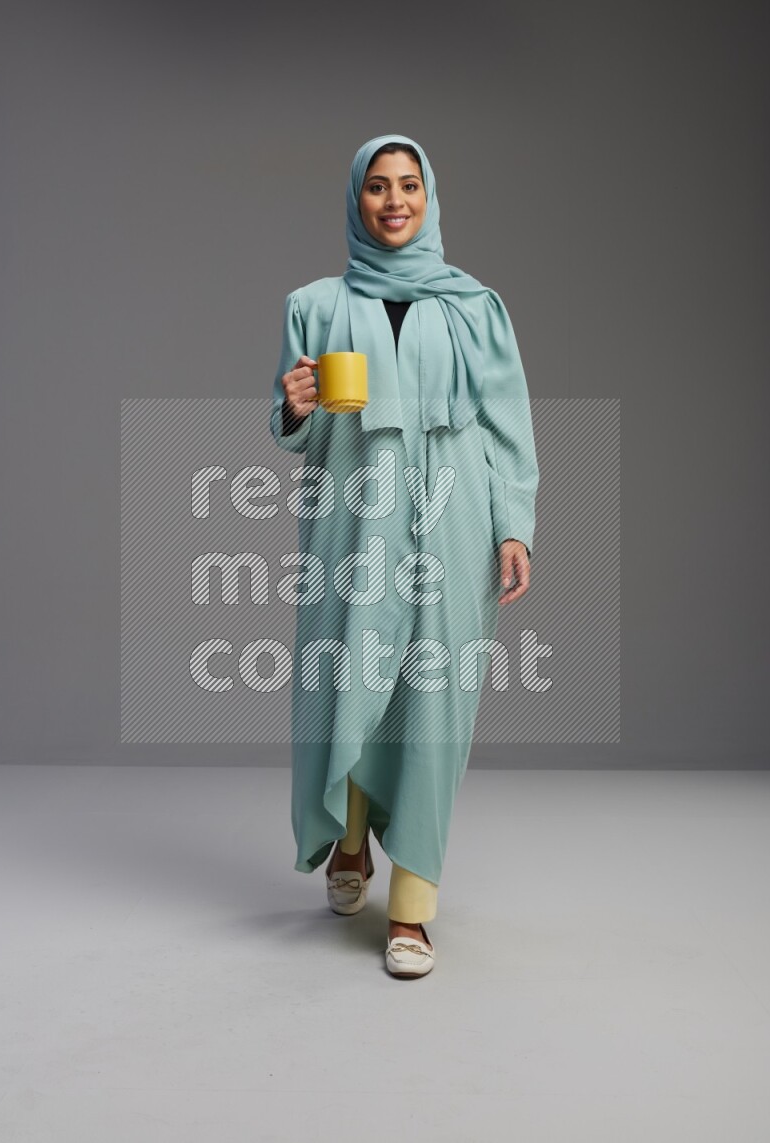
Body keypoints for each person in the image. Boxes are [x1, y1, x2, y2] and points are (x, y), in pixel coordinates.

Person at [270, 133, 539, 978]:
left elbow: (507, 423)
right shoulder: (314, 305)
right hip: (353, 520)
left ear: (430, 196)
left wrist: (513, 525)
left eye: (409, 185)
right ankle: (350, 840)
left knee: (432, 704)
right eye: (378, 187)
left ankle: (413, 906)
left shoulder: (476, 308)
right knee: (351, 682)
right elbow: (292, 429)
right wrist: (295, 404)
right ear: (357, 199)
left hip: (453, 521)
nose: (394, 201)